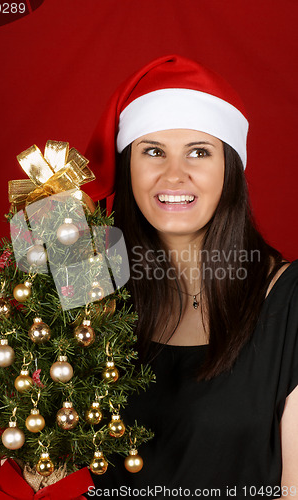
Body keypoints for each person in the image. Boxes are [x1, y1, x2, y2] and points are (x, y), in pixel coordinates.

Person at [83, 55, 298, 499]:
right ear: (128, 166)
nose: (174, 175)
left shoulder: (291, 303)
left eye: (199, 151)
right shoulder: (91, 290)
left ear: (230, 168)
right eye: (153, 151)